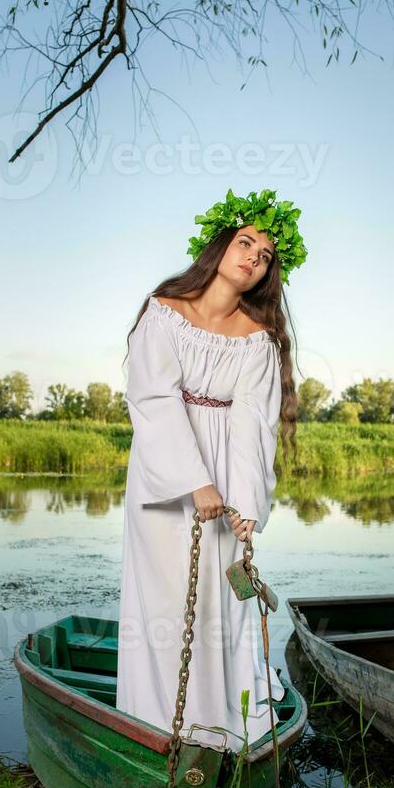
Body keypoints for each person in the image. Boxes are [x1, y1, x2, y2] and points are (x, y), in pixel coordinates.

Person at [115, 188, 306, 753]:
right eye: (246, 242)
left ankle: (215, 729)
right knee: (168, 603)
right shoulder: (164, 313)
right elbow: (152, 398)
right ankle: (158, 727)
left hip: (225, 482)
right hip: (167, 475)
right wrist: (194, 481)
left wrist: (245, 505)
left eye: (266, 255)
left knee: (216, 606)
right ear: (219, 245)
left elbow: (254, 424)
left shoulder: (258, 340)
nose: (254, 256)